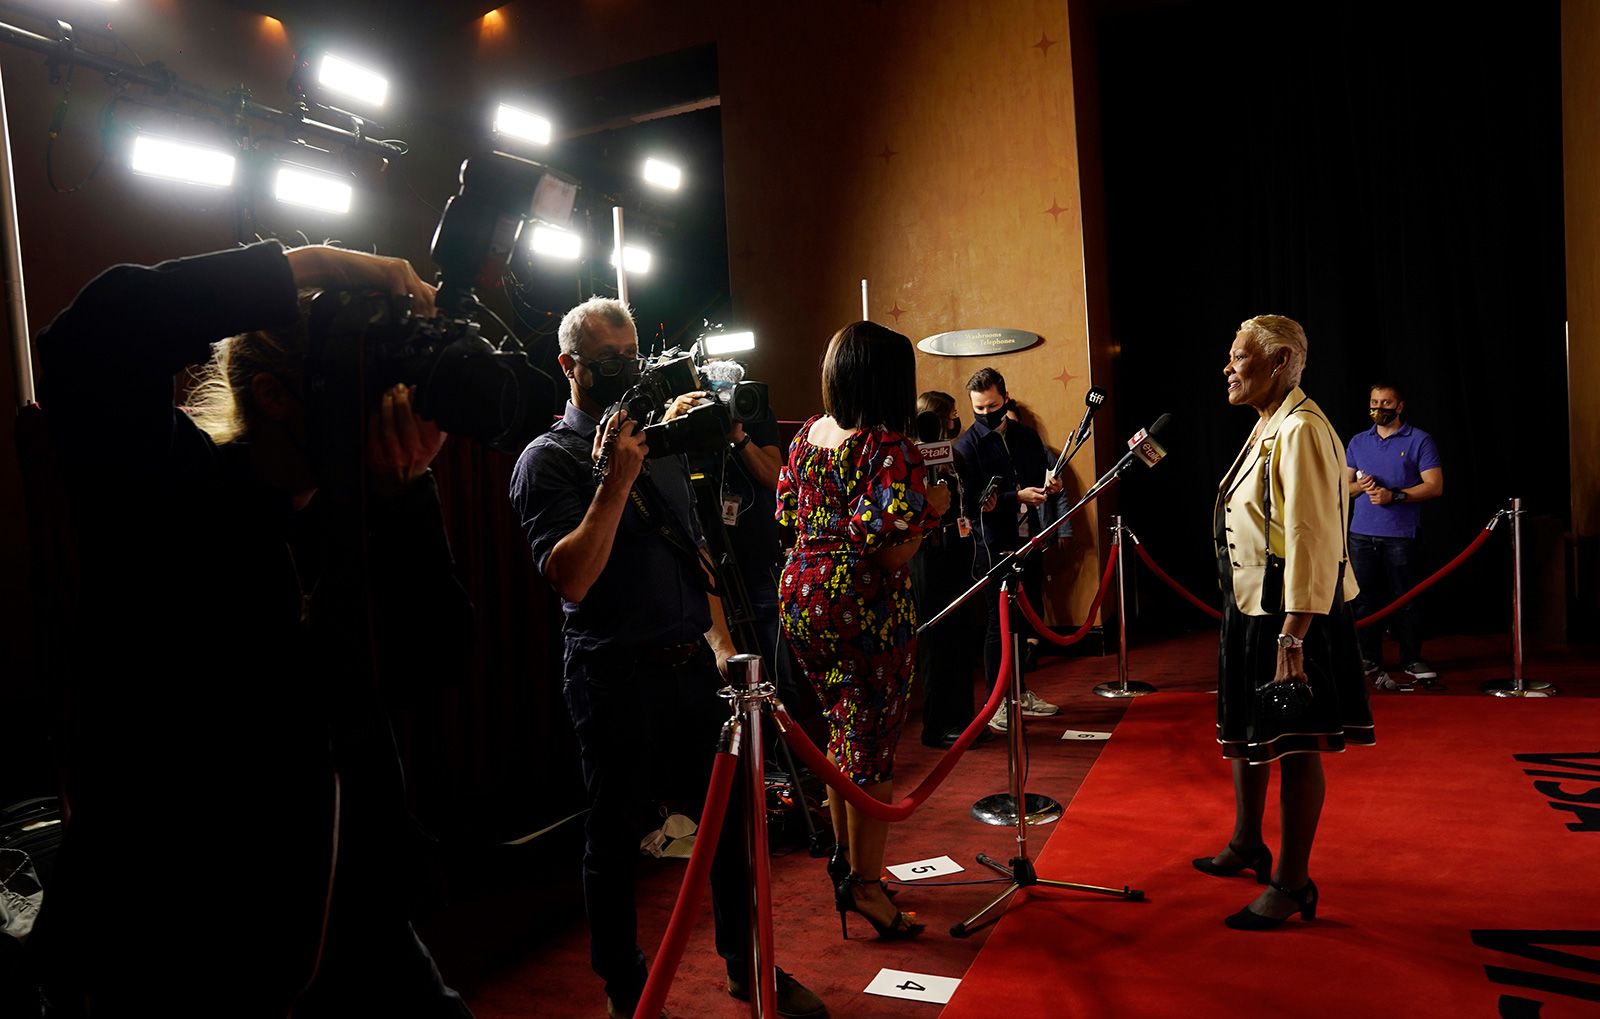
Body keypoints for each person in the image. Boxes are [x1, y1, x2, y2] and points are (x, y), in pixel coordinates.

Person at [34, 241, 474, 1016]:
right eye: (367, 385)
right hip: (186, 930)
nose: (387, 403)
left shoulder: (354, 508)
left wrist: (406, 492)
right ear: (275, 394)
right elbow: (90, 339)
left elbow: (437, 653)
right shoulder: (167, 488)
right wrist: (317, 266)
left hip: (351, 915)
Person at [509, 297, 825, 1019]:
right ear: (570, 366)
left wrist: (722, 646)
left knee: (729, 830)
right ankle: (628, 987)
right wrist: (617, 476)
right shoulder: (548, 458)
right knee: (615, 840)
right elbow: (571, 577)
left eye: (633, 359)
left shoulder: (665, 448)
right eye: (608, 362)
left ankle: (750, 964)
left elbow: (698, 556)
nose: (625, 374)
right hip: (611, 674)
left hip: (691, 667)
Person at [1195, 314, 1374, 930]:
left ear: (1281, 366)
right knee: (1251, 732)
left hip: (1293, 614)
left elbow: (1312, 538)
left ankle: (1294, 883)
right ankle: (1248, 841)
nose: (1228, 367)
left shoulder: (1301, 429)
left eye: (1240, 356)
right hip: (1251, 604)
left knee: (1296, 747)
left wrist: (1293, 637)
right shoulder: (1268, 423)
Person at [776, 321, 947, 941]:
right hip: (862, 602)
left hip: (800, 593)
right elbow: (889, 555)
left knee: (839, 737)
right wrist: (937, 513)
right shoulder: (887, 446)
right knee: (871, 744)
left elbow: (791, 516)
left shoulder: (806, 436)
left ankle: (849, 869)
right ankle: (868, 890)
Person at [953, 367, 1064, 732]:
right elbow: (970, 502)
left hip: (1029, 539)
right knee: (996, 625)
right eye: (979, 409)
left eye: (993, 406)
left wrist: (1051, 487)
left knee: (1023, 621)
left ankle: (1020, 691)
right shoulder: (965, 448)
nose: (987, 415)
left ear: (1005, 398)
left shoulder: (1026, 437)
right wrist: (1013, 497)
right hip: (993, 546)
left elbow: (1038, 480)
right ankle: (995, 700)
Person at [1344, 382, 1445, 689]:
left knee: (1407, 600)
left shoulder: (1419, 440)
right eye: (1374, 401)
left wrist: (1394, 496)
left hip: (1401, 535)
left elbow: (1434, 486)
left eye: (1386, 403)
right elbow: (1343, 487)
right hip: (1361, 534)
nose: (1379, 408)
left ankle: (1412, 658)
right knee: (1362, 601)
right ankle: (1368, 659)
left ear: (1399, 407)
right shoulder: (1358, 441)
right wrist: (1361, 487)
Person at [910, 391, 988, 749]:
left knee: (960, 637)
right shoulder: (911, 456)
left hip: (959, 552)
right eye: (952, 415)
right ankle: (938, 724)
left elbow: (964, 499)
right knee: (937, 641)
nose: (957, 421)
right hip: (928, 557)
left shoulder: (954, 455)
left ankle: (963, 717)